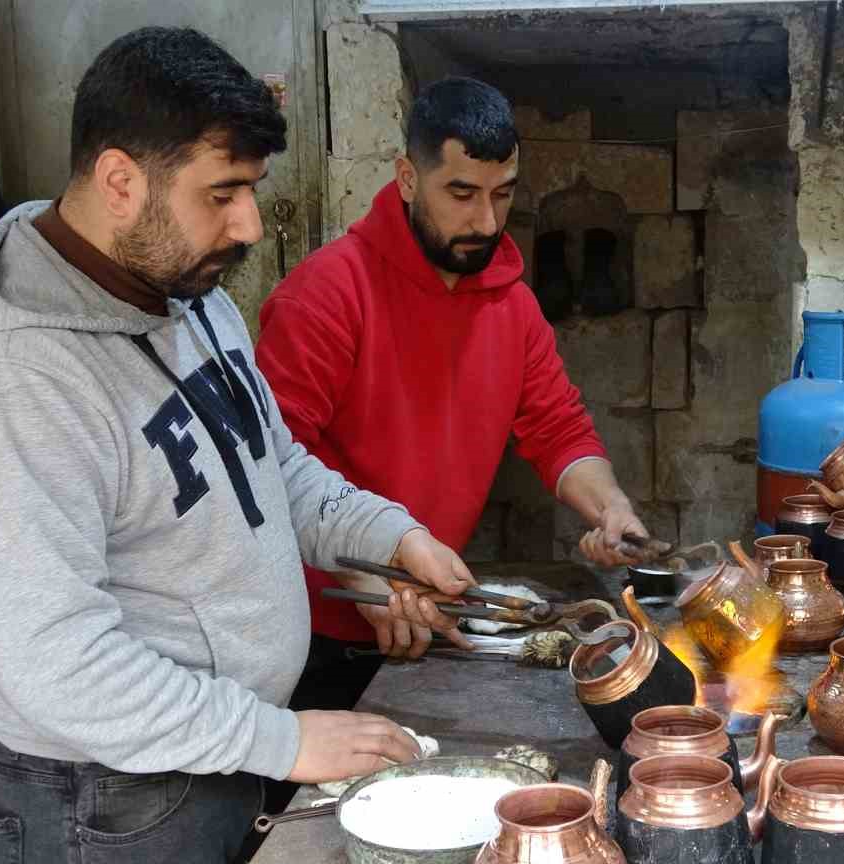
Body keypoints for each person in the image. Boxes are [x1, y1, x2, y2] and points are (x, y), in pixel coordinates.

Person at [0, 28, 467, 864]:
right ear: (120, 181)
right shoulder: (7, 378)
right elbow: (61, 663)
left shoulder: (184, 293)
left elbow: (267, 463)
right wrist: (285, 743)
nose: (248, 224)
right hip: (100, 810)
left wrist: (391, 536)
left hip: (212, 755)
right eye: (224, 194)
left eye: (251, 191)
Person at [255, 76, 650, 711]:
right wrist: (361, 577)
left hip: (431, 612)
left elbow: (559, 430)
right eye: (461, 194)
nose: (486, 221)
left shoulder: (513, 303)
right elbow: (266, 470)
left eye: (502, 194)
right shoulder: (325, 294)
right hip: (317, 626)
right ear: (408, 178)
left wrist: (609, 506)